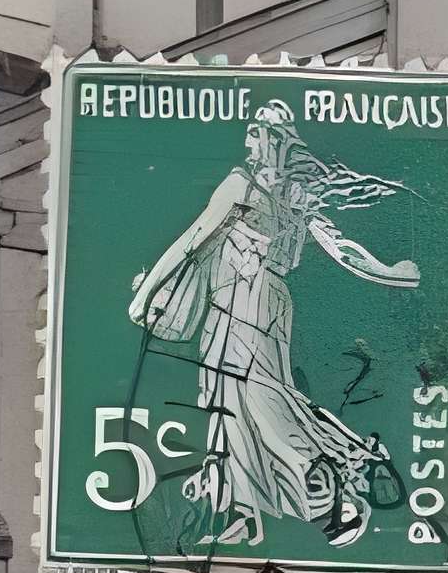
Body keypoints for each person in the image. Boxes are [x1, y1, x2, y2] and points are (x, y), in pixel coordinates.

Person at [127, 100, 410, 550]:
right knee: (241, 396)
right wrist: (389, 272)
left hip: (241, 294)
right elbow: (342, 250)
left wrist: (151, 293)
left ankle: (324, 468)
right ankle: (249, 508)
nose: (249, 141)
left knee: (240, 396)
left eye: (256, 133)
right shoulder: (297, 196)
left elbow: (197, 237)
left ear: (269, 142)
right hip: (272, 297)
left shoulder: (243, 184)